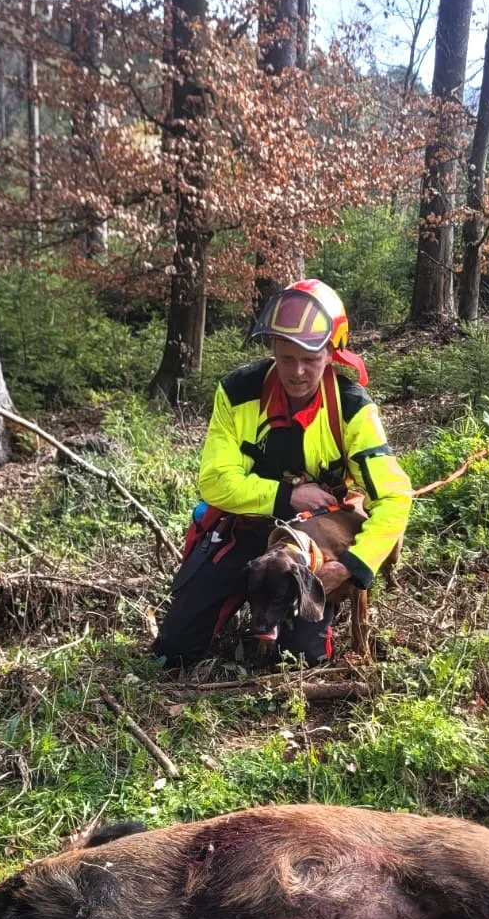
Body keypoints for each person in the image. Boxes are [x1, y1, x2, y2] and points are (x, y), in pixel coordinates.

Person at [154, 279, 412, 667]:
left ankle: (302, 620)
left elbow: (395, 496)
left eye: (310, 358)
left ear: (331, 353)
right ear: (273, 347)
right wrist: (285, 496)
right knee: (173, 650)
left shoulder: (352, 407)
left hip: (315, 546)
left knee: (301, 658)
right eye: (286, 357)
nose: (297, 372)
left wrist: (351, 567)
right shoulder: (239, 392)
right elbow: (214, 480)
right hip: (246, 528)